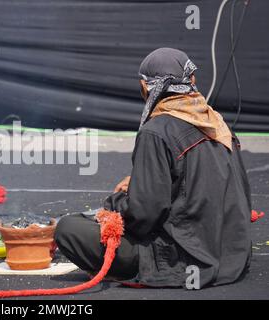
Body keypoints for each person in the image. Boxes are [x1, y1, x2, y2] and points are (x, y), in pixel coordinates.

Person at [55, 48, 252, 288]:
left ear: (145, 87)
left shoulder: (156, 132)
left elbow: (144, 216)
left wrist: (116, 203)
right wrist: (141, 181)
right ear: (192, 80)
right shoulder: (220, 124)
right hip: (231, 257)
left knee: (69, 228)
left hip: (183, 260)